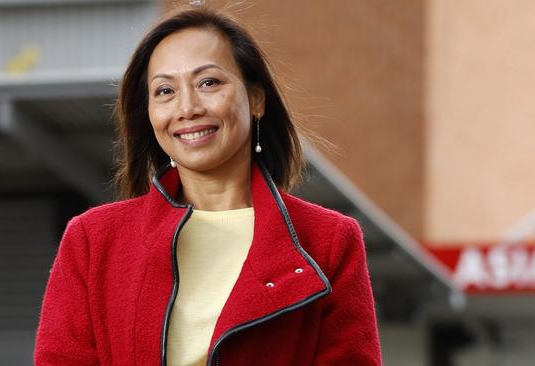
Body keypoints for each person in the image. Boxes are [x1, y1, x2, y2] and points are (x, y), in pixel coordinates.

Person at [34, 5, 381, 366]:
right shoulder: (92, 240)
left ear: (256, 98)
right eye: (165, 91)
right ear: (149, 113)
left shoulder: (329, 241)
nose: (187, 108)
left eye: (208, 83)